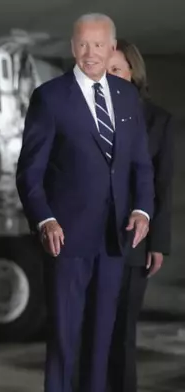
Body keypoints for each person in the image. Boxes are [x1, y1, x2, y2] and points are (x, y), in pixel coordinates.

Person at [15, 13, 154, 392]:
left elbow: (140, 163)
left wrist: (143, 209)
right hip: (68, 240)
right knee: (65, 338)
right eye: (82, 44)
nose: (89, 53)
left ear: (112, 48)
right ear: (73, 46)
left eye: (98, 45)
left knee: (102, 340)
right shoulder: (50, 97)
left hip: (114, 240)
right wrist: (44, 219)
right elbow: (30, 171)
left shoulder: (125, 95)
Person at [106, 39, 175, 392]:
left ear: (133, 74)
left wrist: (157, 243)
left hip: (133, 243)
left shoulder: (159, 122)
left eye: (116, 69)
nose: (108, 76)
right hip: (86, 243)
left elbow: (162, 186)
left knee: (121, 334)